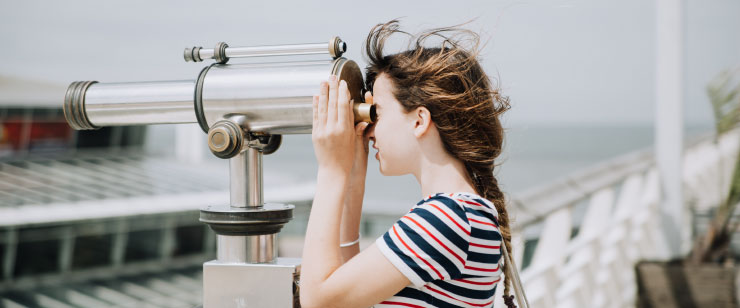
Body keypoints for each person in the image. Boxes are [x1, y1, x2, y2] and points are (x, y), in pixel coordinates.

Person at [300, 19, 514, 308]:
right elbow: (350, 300)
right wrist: (353, 180)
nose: (370, 129)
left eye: (377, 112)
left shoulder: (446, 219)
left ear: (419, 120)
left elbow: (318, 301)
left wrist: (331, 169)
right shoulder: (469, 212)